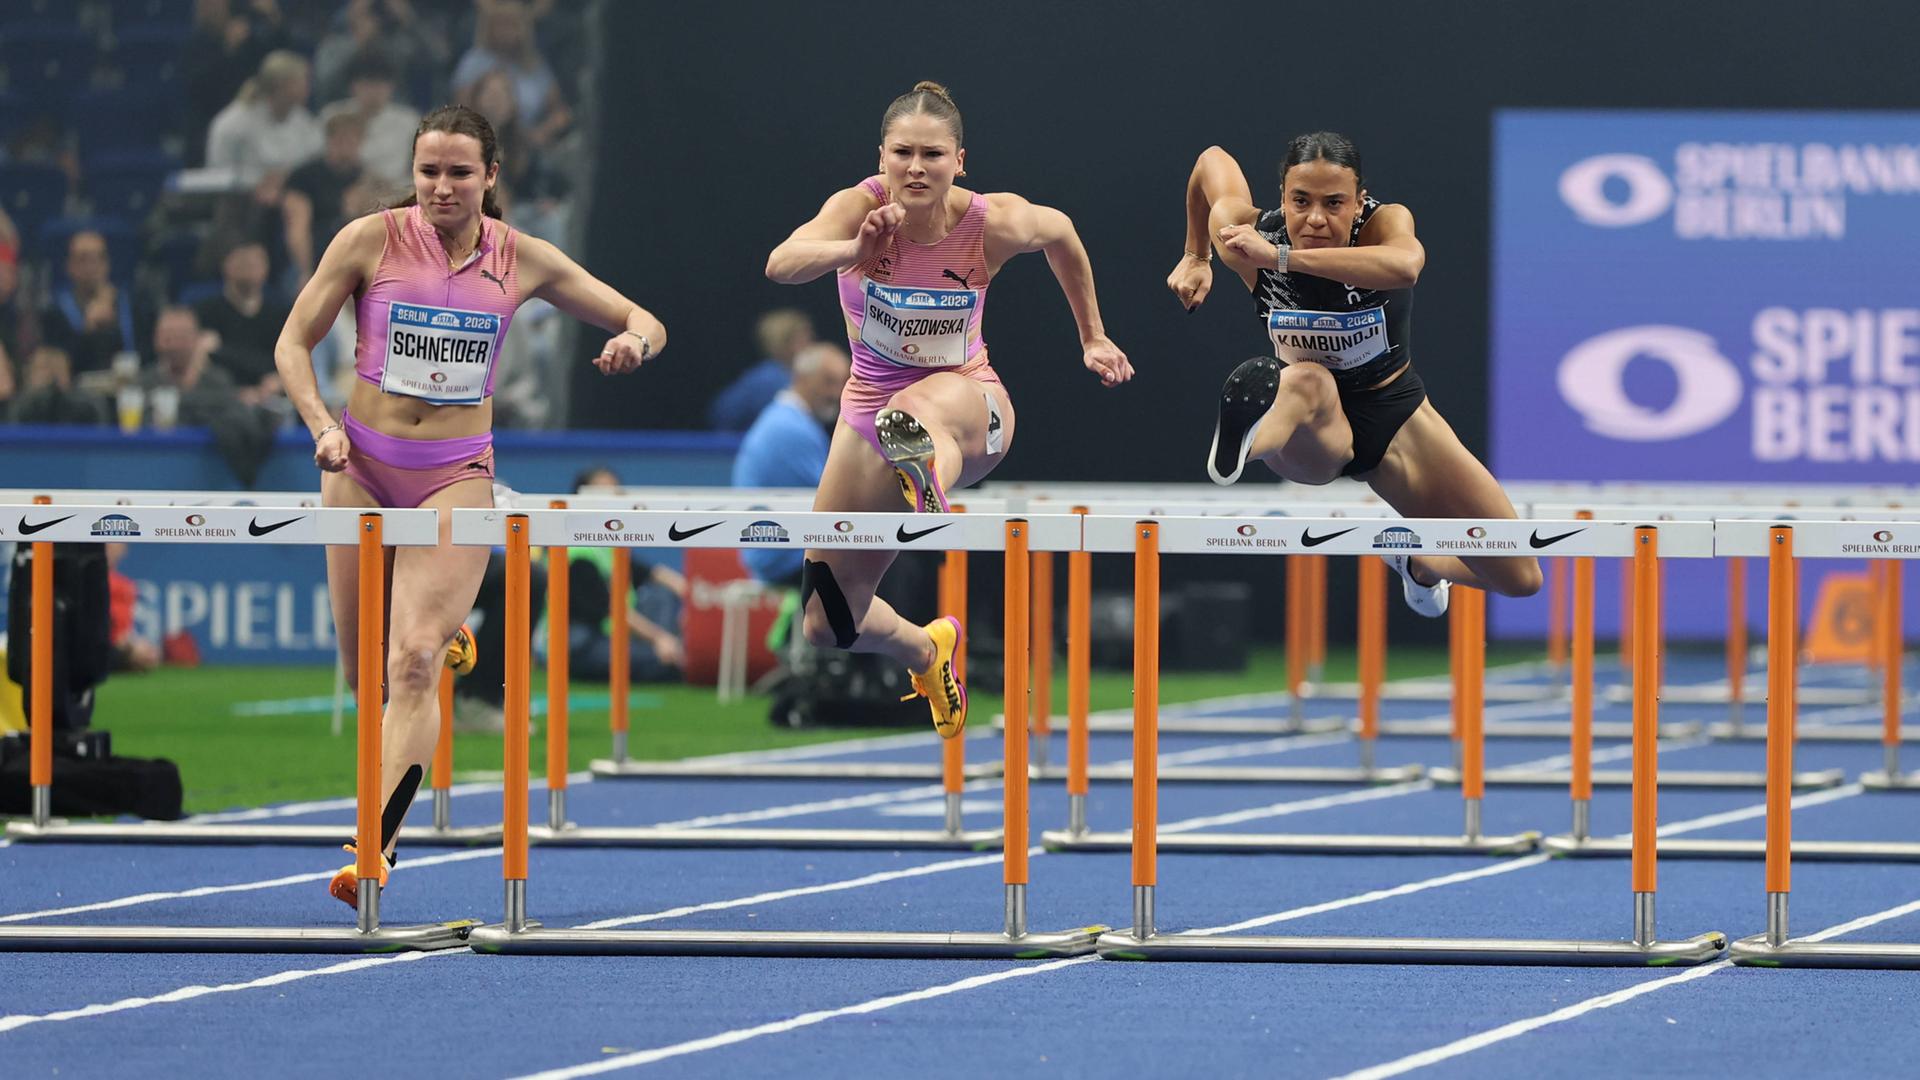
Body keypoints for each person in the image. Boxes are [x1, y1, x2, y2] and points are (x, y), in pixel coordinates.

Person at [273, 104, 666, 906]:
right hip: (358, 464)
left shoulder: (523, 259)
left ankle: (372, 851)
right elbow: (291, 343)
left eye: (459, 173)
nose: (441, 187)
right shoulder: (368, 240)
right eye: (428, 172)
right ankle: (445, 640)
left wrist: (634, 342)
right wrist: (320, 426)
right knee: (363, 673)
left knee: (409, 659)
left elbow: (643, 317)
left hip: (453, 474)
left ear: (492, 177)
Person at [764, 80, 1131, 739]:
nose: (916, 167)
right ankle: (926, 651)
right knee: (826, 622)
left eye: (933, 154)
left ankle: (929, 470)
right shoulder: (857, 209)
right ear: (881, 157)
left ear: (959, 160)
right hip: (867, 416)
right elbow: (782, 262)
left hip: (975, 408)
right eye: (902, 152)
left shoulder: (991, 222)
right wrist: (851, 252)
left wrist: (1093, 336)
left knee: (914, 408)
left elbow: (1064, 235)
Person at [1170, 136, 1541, 613]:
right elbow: (1210, 161)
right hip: (1311, 424)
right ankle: (1244, 444)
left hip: (1396, 415)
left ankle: (1420, 562)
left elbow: (1405, 267)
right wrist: (1196, 255)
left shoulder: (1385, 223)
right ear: (1282, 196)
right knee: (1308, 380)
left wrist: (1278, 258)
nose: (1316, 219)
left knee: (1520, 577)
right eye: (1300, 201)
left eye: (1334, 203)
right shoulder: (1247, 232)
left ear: (1359, 200)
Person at [731, 341, 849, 585]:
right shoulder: (791, 429)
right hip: (780, 555)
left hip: (780, 546)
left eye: (841, 383)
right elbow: (836, 498)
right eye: (828, 381)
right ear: (801, 378)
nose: (836, 393)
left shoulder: (789, 420)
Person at [561, 468, 686, 684]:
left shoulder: (608, 543)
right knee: (670, 665)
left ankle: (670, 651)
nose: (611, 496)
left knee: (661, 595)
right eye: (602, 491)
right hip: (582, 641)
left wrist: (694, 594)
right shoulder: (577, 552)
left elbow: (655, 574)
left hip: (618, 634)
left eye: (615, 491)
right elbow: (612, 610)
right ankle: (670, 654)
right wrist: (660, 638)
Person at [708, 308, 815, 432]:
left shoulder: (788, 375)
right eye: (802, 340)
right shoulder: (767, 379)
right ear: (783, 344)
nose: (810, 345)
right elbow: (721, 412)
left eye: (810, 339)